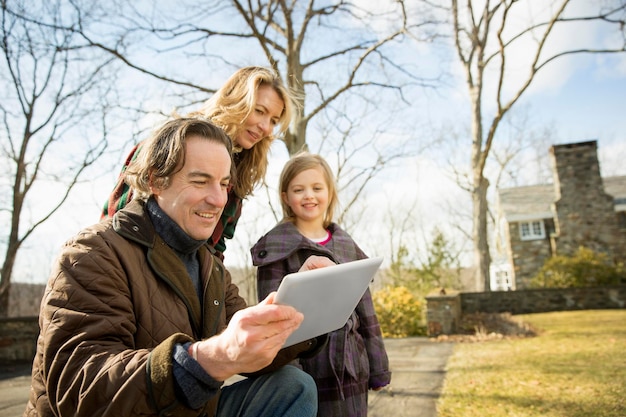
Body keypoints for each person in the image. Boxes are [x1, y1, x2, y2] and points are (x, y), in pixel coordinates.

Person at [24, 119, 332, 417]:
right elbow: (80, 387)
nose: (217, 199)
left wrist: (305, 307)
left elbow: (247, 345)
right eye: (200, 181)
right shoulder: (92, 252)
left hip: (192, 410)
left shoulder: (210, 266)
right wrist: (209, 358)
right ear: (157, 180)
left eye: (224, 184)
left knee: (293, 386)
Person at [102, 66, 296, 259]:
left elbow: (215, 248)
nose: (265, 127)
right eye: (259, 111)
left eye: (273, 121)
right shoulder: (171, 145)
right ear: (235, 101)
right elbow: (120, 219)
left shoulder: (240, 172)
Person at [250, 152, 392, 417]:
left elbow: (367, 314)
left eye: (317, 188)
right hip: (306, 365)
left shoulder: (348, 247)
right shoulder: (276, 249)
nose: (309, 196)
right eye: (298, 189)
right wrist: (290, 374)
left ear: (330, 193)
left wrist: (378, 367)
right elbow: (273, 316)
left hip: (351, 366)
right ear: (285, 197)